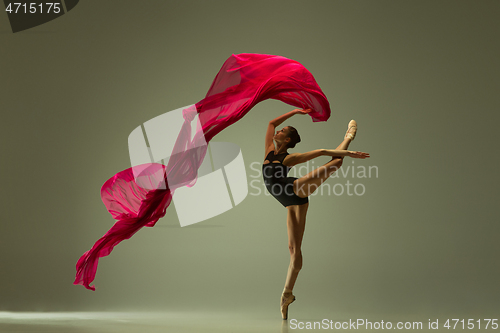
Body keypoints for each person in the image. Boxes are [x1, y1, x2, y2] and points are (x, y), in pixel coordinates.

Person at [262, 108, 370, 320]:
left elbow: (320, 152)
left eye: (283, 131)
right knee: (294, 252)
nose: (278, 131)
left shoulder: (288, 158)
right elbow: (271, 123)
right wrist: (295, 111)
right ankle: (286, 295)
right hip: (290, 203)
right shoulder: (268, 150)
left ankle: (348, 137)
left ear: (288, 138)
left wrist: (348, 153)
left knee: (336, 163)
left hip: (294, 189)